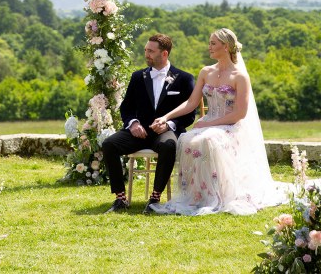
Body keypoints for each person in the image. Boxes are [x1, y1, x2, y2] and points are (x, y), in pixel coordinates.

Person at [149, 28, 289, 215]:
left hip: (230, 126)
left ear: (226, 46)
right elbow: (191, 103)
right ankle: (196, 196)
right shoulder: (206, 72)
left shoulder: (239, 76)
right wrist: (166, 117)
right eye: (209, 43)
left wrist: (207, 124)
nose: (209, 47)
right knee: (186, 138)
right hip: (208, 122)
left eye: (213, 43)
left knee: (208, 139)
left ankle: (218, 195)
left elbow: (240, 113)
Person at [102, 33, 195, 214]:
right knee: (109, 144)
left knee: (169, 145)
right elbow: (126, 108)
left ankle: (154, 199)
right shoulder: (137, 77)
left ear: (165, 54)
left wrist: (169, 125)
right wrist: (133, 123)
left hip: (164, 132)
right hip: (139, 132)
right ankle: (120, 199)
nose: (147, 54)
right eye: (146, 50)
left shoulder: (184, 79)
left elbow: (190, 114)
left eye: (151, 51)